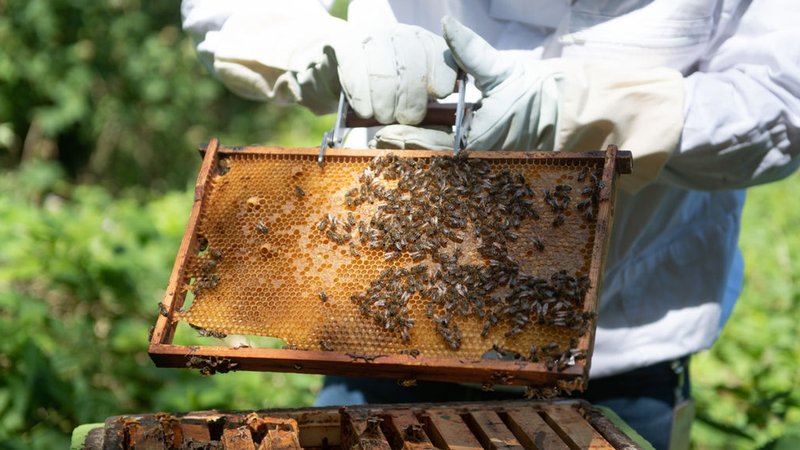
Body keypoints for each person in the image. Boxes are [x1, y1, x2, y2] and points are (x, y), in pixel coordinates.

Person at [181, 1, 800, 448]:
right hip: (383, 339)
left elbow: (781, 102)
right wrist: (314, 51)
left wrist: (582, 111)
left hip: (621, 353)